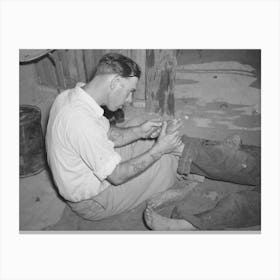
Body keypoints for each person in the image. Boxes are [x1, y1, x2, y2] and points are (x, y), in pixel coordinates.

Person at [46, 53, 184, 221]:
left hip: (88, 172)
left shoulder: (70, 96)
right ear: (115, 82)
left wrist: (141, 131)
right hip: (94, 202)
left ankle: (186, 152)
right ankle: (192, 162)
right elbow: (117, 176)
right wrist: (159, 150)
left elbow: (109, 134)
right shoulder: (80, 121)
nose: (129, 99)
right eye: (129, 92)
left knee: (142, 122)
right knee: (165, 162)